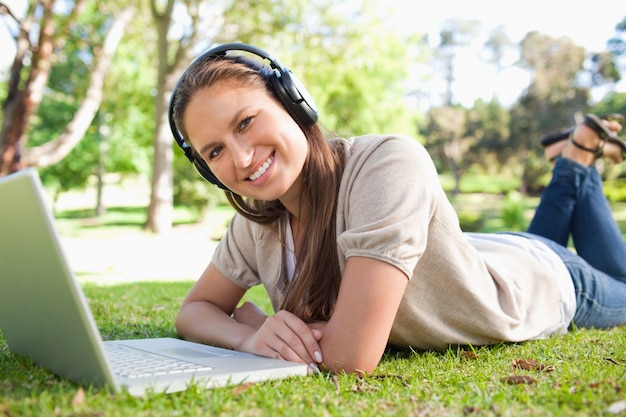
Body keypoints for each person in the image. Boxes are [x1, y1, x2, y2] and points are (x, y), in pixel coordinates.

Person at [169, 43, 626, 375]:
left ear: (292, 102)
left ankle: (575, 158)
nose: (242, 159)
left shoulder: (388, 164)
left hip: (549, 283)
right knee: (543, 235)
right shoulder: (257, 221)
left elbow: (350, 356)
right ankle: (576, 158)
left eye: (246, 122)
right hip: (497, 255)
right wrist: (249, 335)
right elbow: (195, 311)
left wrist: (263, 320)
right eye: (215, 152)